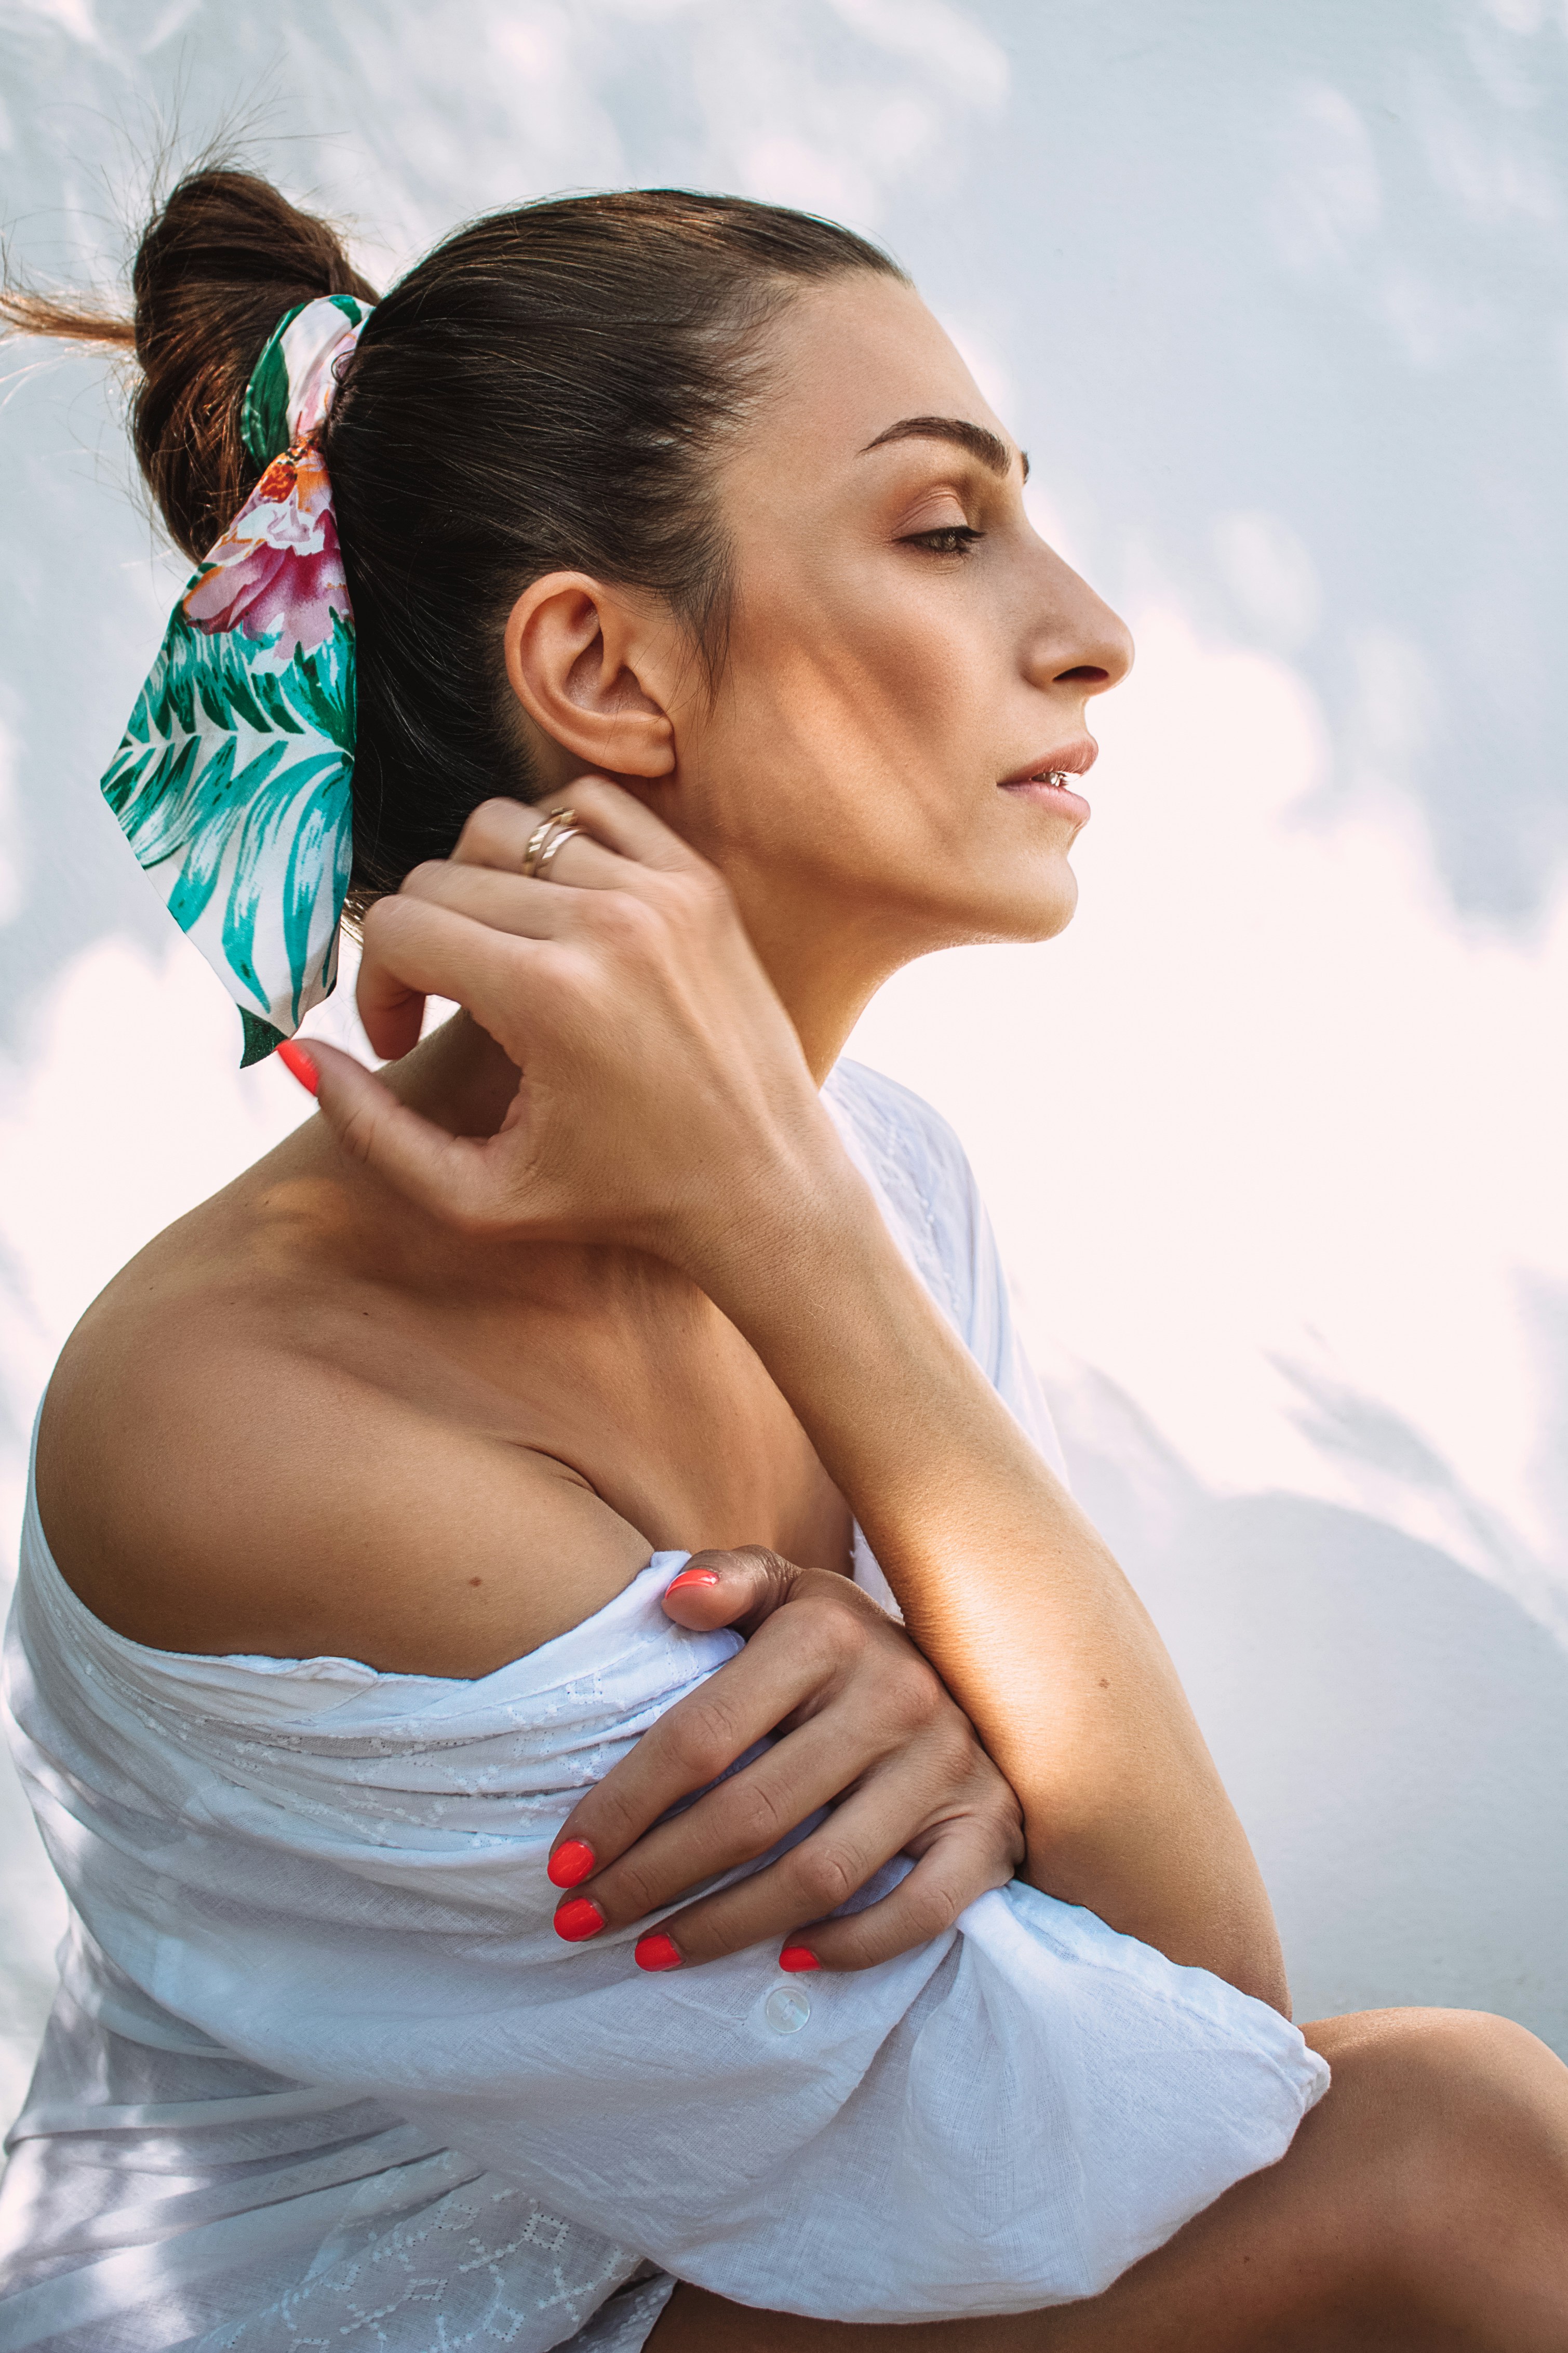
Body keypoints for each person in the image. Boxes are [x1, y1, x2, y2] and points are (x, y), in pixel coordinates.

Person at [0, 171, 1564, 2353]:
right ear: (600, 667)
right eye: (945, 529)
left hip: (704, 2269)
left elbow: (1101, 1981)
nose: (1091, 623)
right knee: (1457, 2160)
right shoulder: (257, 1413)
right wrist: (803, 1258)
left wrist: (979, 1733)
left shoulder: (880, 1170)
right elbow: (1178, 2098)